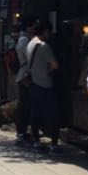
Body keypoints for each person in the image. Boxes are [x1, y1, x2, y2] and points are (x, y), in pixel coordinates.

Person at [27, 19, 60, 153]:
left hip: (33, 83)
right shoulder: (43, 46)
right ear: (46, 31)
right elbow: (55, 65)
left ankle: (36, 140)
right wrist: (47, 70)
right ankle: (54, 143)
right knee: (52, 114)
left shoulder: (30, 44)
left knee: (35, 113)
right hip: (45, 83)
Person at [14, 17, 33, 143]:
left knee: (24, 103)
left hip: (24, 74)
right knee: (24, 104)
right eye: (33, 26)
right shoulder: (24, 40)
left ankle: (23, 130)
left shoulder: (24, 39)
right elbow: (30, 56)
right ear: (28, 27)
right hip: (25, 75)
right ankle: (22, 131)